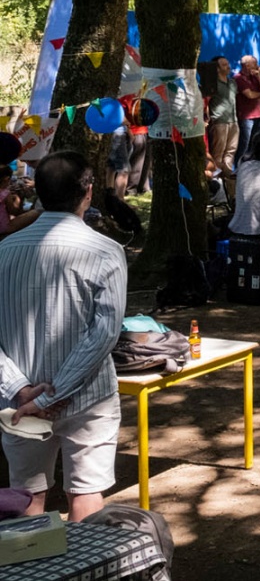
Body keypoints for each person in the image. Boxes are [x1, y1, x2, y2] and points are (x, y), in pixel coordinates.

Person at [0, 152, 126, 522]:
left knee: (27, 500)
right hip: (88, 397)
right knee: (86, 497)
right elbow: (104, 333)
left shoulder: (3, 252)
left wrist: (21, 389)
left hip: (19, 400)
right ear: (88, 191)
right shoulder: (106, 251)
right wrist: (53, 393)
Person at [205, 55, 239, 176]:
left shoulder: (232, 83)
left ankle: (227, 176)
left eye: (228, 64)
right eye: (224, 65)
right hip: (219, 121)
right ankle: (217, 179)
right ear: (217, 69)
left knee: (231, 151)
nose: (228, 67)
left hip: (233, 121)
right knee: (218, 153)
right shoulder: (212, 83)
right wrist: (207, 117)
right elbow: (206, 102)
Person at [235, 55, 260, 165]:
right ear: (247, 65)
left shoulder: (255, 78)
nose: (257, 66)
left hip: (257, 115)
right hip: (246, 117)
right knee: (244, 144)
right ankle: (239, 167)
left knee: (254, 143)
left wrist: (259, 78)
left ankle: (251, 166)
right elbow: (249, 95)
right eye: (255, 63)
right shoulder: (239, 78)